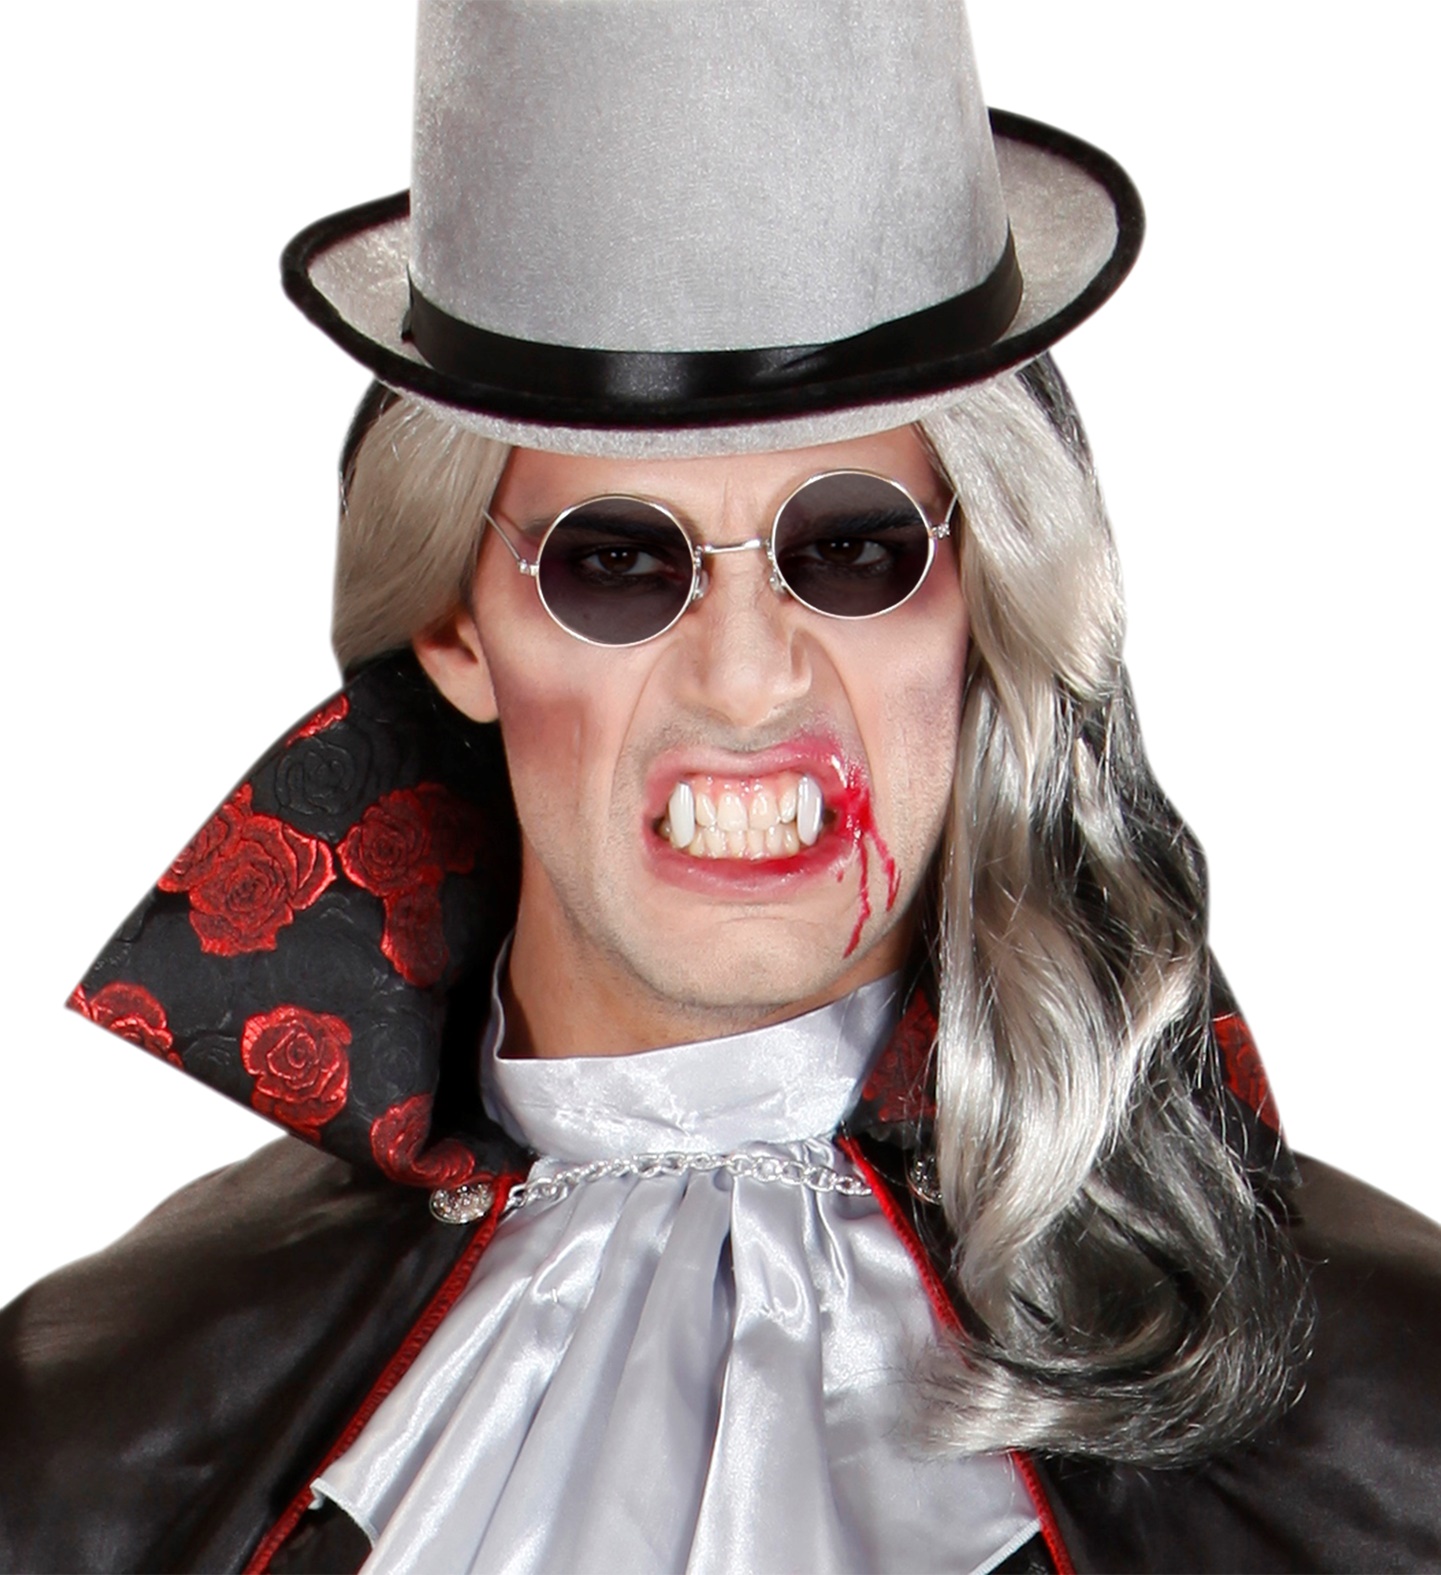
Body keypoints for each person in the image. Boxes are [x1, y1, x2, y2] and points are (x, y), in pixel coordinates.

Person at [3, 2, 1439, 1572]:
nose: (748, 680)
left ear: (982, 602)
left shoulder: (1387, 1420)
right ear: (455, 626)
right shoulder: (92, 1430)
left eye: (854, 549)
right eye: (615, 562)